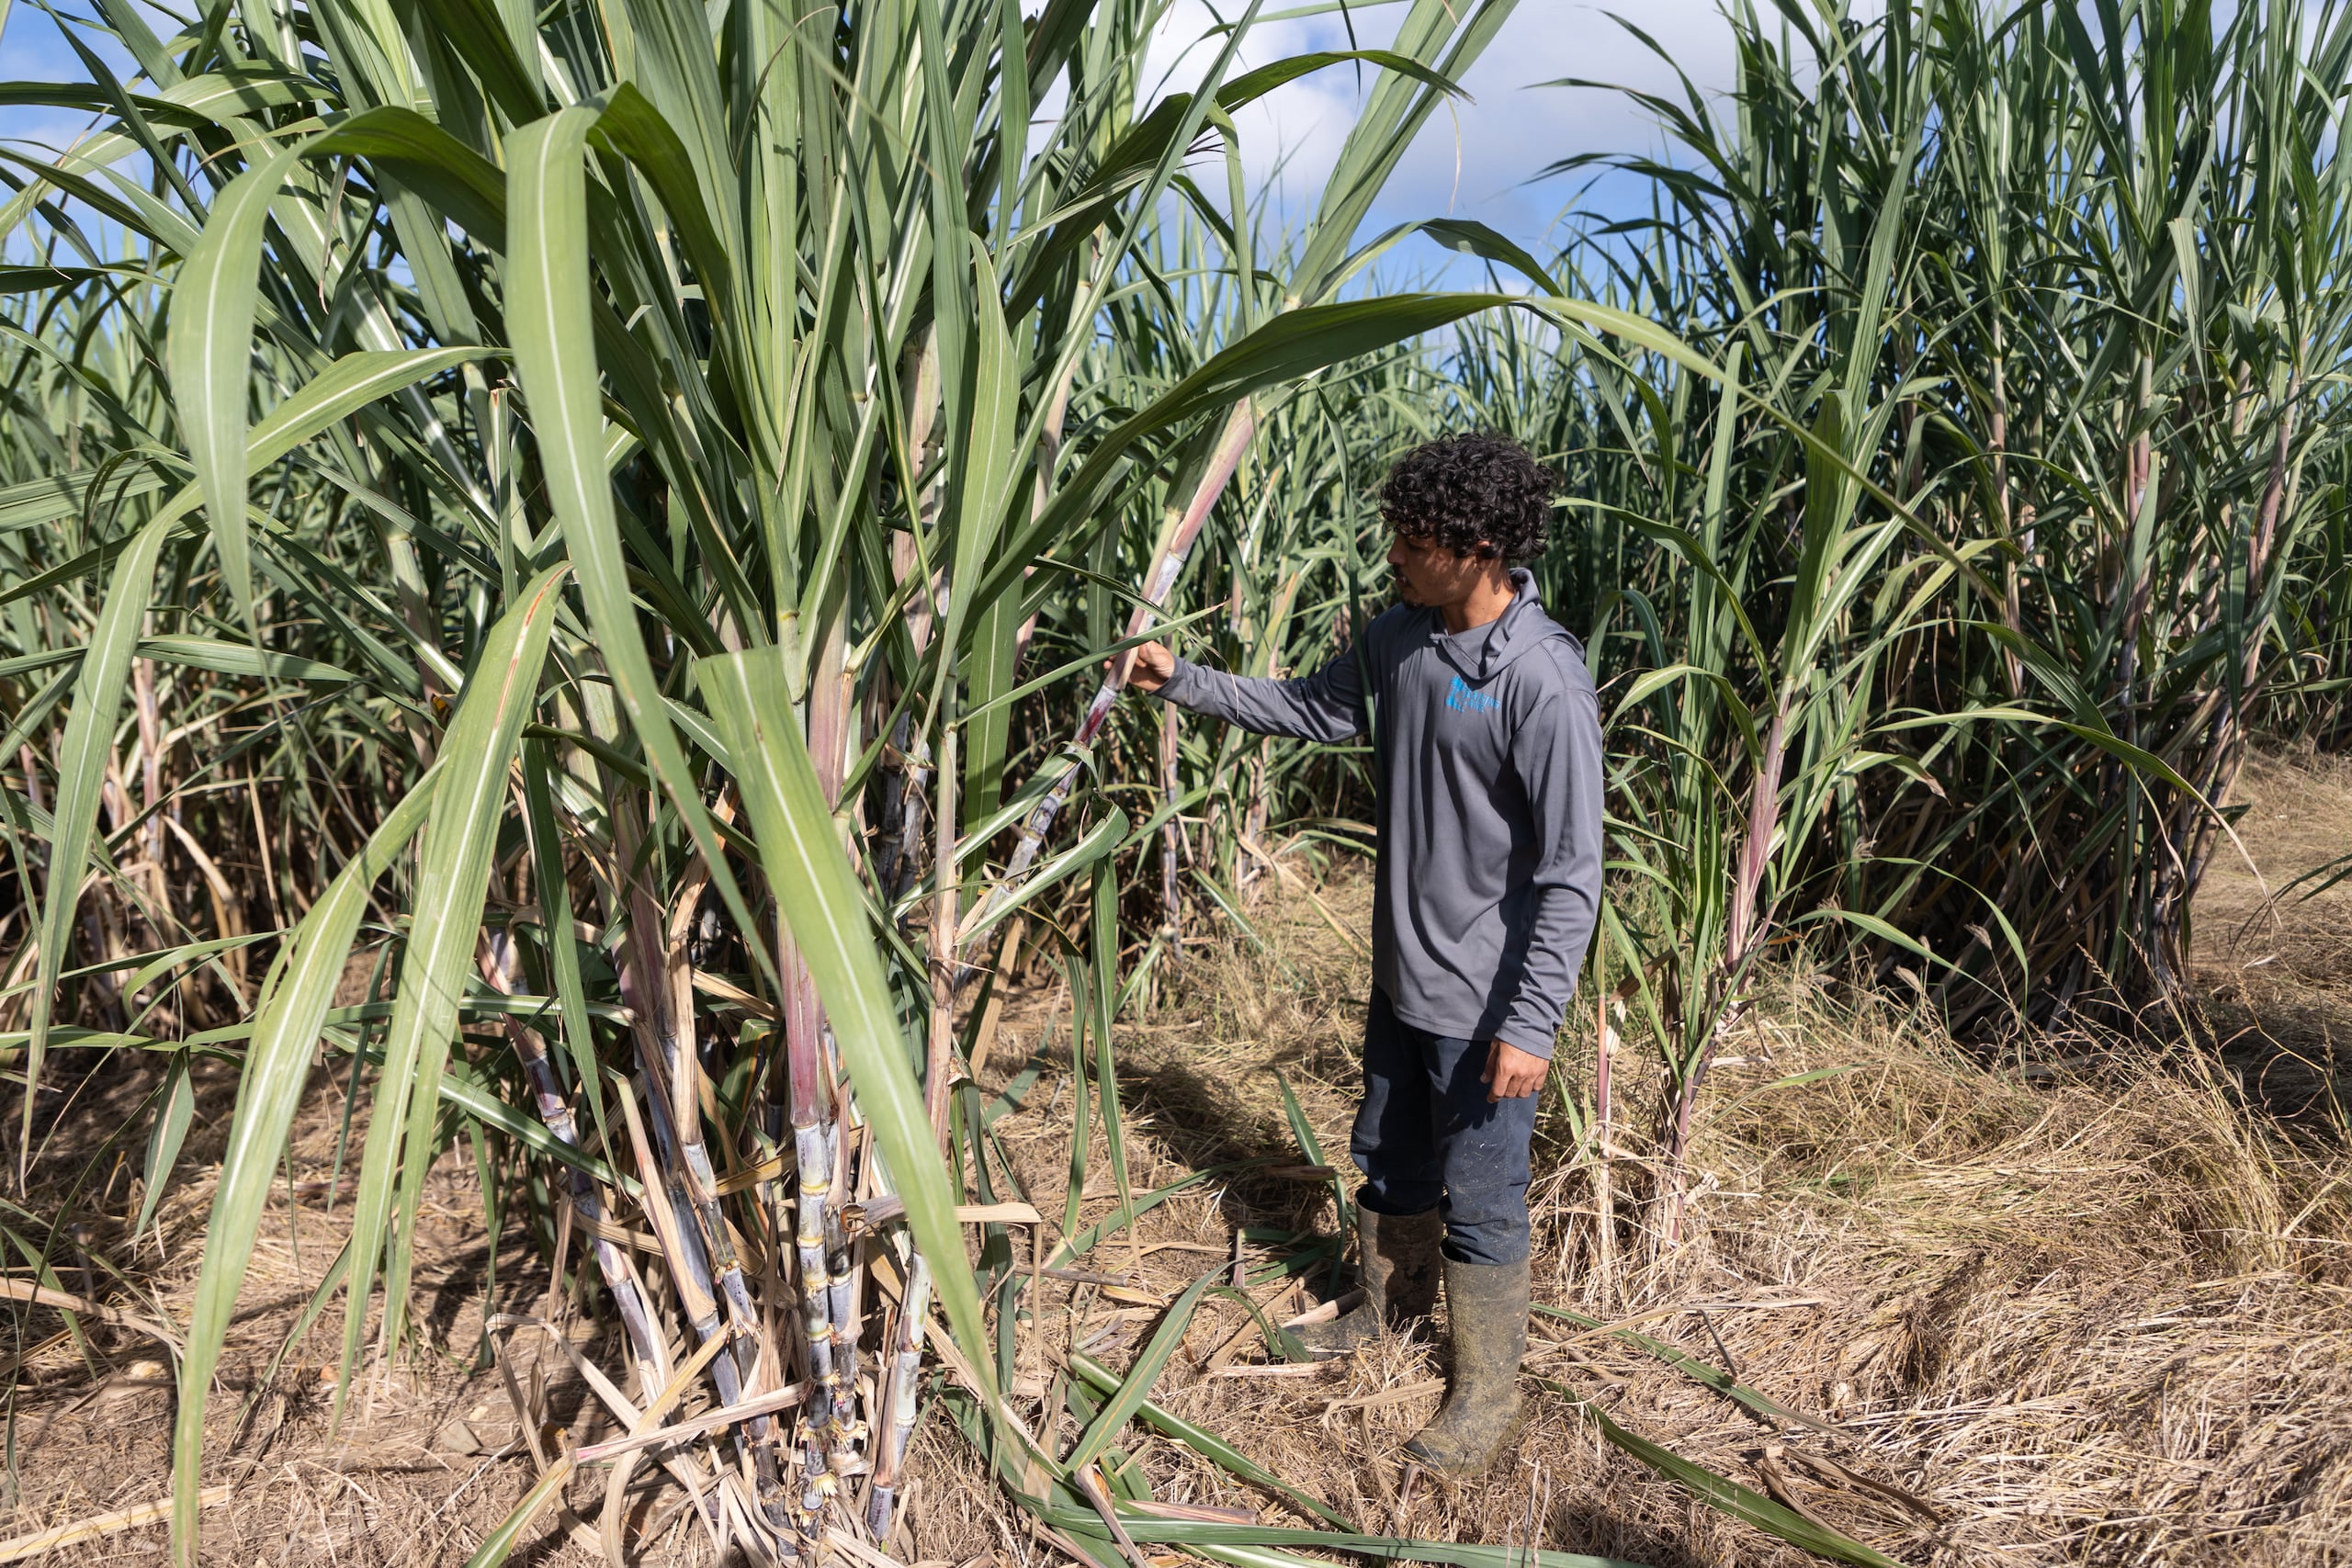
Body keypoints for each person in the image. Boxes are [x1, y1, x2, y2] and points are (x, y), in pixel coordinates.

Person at [1128, 432, 1604, 1479]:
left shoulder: (1540, 681)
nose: (1392, 551)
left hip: (1487, 1008)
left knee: (1481, 1196)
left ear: (1477, 546)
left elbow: (1572, 872)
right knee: (1388, 1162)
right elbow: (1313, 707)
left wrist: (1532, 1022)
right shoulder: (1401, 637)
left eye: (1413, 536)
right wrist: (1182, 681)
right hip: (1404, 980)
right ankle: (1385, 1314)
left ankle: (1482, 1396)